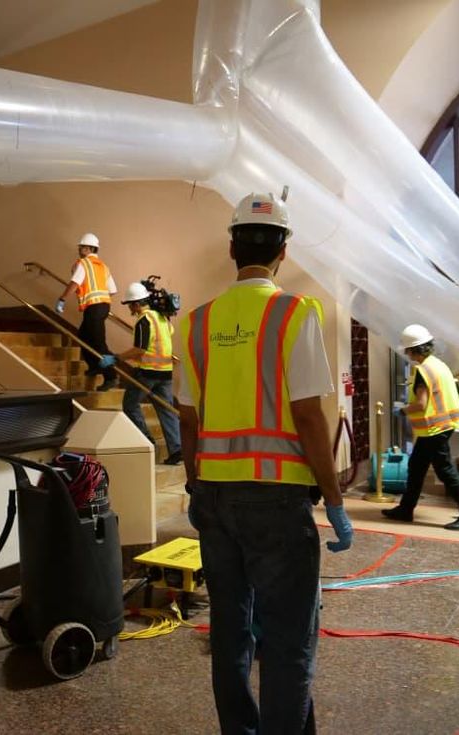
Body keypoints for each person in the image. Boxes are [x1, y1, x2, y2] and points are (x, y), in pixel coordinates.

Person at [175, 192, 353, 735]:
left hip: (215, 497)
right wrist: (338, 501)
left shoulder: (197, 322)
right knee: (287, 639)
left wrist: (196, 486)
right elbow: (308, 416)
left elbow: (187, 418)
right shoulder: (295, 313)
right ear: (284, 250)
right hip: (277, 500)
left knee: (232, 630)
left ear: (232, 247)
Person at [382, 324, 459, 530]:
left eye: (407, 350)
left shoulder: (423, 370)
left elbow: (421, 403)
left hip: (435, 429)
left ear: (412, 349)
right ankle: (406, 509)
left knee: (445, 471)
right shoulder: (439, 365)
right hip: (440, 427)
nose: (407, 354)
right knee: (416, 467)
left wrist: (403, 410)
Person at [99, 282, 182, 465]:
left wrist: (116, 358)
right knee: (166, 409)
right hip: (165, 372)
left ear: (136, 304)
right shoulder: (161, 318)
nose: (130, 308)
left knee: (130, 405)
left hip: (148, 372)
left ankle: (148, 443)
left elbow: (140, 349)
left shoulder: (144, 320)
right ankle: (176, 449)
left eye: (130, 304)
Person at [56, 232, 118, 391]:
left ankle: (111, 376)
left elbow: (75, 283)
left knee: (99, 343)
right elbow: (112, 290)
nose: (79, 249)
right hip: (103, 306)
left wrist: (62, 299)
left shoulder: (83, 263)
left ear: (89, 248)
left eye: (81, 246)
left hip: (94, 308)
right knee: (83, 336)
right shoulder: (103, 266)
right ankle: (95, 365)